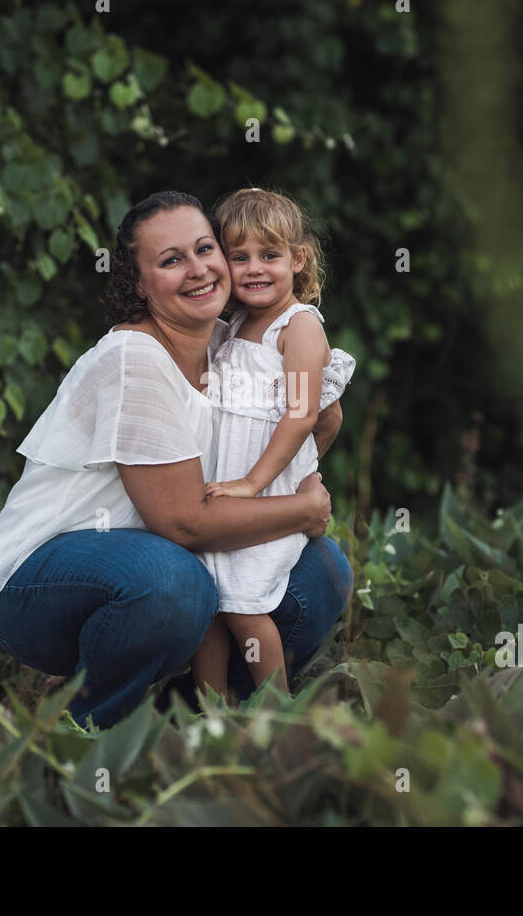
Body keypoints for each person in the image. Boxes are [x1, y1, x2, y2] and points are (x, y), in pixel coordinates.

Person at [0, 190, 353, 729]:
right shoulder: (135, 357)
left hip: (160, 561)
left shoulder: (232, 342)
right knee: (175, 580)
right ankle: (86, 732)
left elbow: (317, 419)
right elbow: (185, 522)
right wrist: (302, 510)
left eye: (204, 249)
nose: (197, 270)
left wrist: (313, 427)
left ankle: (198, 720)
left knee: (321, 569)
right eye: (171, 261)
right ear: (139, 284)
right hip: (42, 582)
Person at [191, 188, 355, 701]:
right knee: (211, 607)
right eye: (239, 257)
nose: (254, 269)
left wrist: (260, 481)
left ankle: (277, 716)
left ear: (298, 259)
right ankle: (211, 717)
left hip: (262, 490)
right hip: (228, 485)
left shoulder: (298, 326)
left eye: (269, 255)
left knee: (243, 605)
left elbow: (305, 412)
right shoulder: (238, 324)